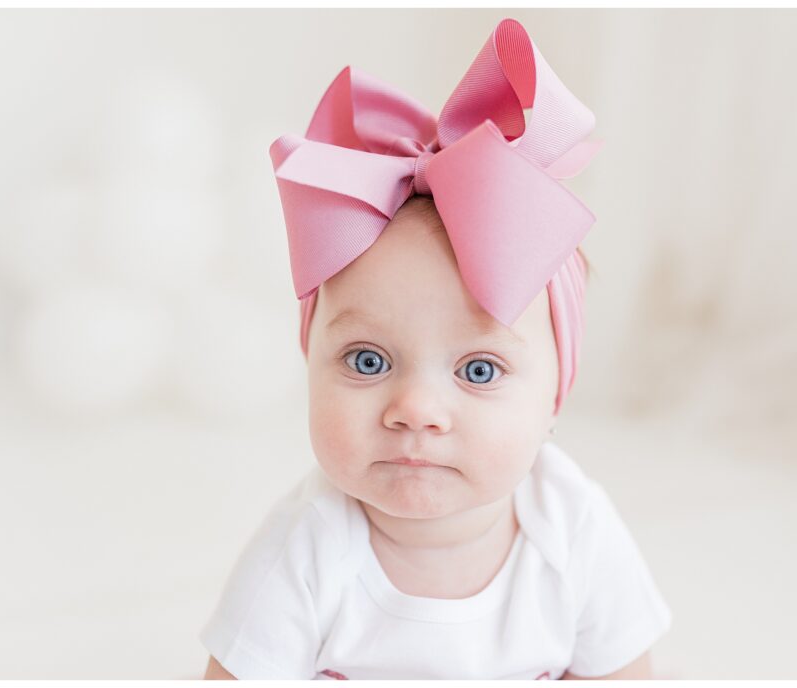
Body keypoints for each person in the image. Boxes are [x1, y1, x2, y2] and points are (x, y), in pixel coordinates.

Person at [199, 17, 671, 680]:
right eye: (368, 361)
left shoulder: (573, 527)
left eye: (478, 370)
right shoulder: (306, 551)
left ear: (553, 400)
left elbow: (625, 671)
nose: (416, 409)